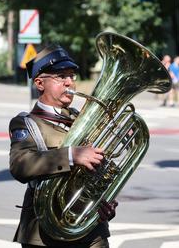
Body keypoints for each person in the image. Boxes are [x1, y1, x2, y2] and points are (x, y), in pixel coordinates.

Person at [9, 45, 118, 248]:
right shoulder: (27, 123)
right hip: (45, 232)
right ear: (40, 83)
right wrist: (70, 155)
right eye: (61, 76)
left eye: (72, 76)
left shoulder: (84, 119)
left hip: (91, 229)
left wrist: (106, 200)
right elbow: (20, 165)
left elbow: (100, 169)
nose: (70, 83)